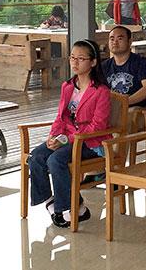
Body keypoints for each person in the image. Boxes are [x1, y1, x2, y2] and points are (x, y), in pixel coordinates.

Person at [27, 39, 110, 228]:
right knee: (36, 157)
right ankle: (51, 203)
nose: (75, 62)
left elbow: (98, 126)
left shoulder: (101, 91)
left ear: (93, 62)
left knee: (55, 160)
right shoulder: (68, 86)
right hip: (67, 138)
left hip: (90, 142)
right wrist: (53, 136)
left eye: (81, 58)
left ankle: (66, 209)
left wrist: (66, 139)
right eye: (73, 57)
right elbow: (60, 117)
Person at [102, 25, 146, 107]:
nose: (115, 42)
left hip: (136, 110)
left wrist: (125, 102)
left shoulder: (141, 63)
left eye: (120, 39)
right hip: (112, 109)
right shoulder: (105, 66)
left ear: (129, 42)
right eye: (112, 39)